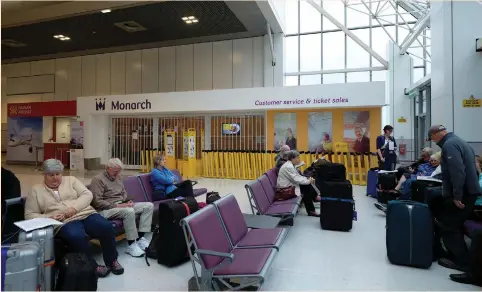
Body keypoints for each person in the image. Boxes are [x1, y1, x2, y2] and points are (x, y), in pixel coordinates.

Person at [24, 159, 123, 278]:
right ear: (44, 175)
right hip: (64, 222)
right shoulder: (36, 190)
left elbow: (87, 194)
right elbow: (29, 215)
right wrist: (49, 217)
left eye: (58, 174)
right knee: (76, 236)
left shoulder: (71, 180)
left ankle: (112, 260)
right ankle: (92, 266)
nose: (55, 178)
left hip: (86, 213)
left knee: (106, 227)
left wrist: (74, 208)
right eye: (51, 175)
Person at [427, 125, 481, 272]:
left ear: (436, 134)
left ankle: (462, 262)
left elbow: (458, 172)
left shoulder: (449, 145)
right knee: (453, 224)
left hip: (462, 194)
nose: (433, 141)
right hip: (469, 191)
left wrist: (457, 195)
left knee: (449, 226)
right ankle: (459, 258)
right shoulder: (462, 142)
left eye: (431, 138)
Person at [90, 158, 154, 257]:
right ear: (107, 168)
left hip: (121, 205)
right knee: (128, 211)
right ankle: (131, 245)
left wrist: (126, 201)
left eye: (119, 171)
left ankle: (140, 238)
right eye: (115, 171)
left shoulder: (118, 177)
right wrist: (119, 205)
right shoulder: (97, 180)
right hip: (105, 210)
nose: (118, 174)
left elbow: (123, 192)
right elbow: (97, 202)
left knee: (148, 206)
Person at [374, 152, 441, 212]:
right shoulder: (427, 164)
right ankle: (394, 199)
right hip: (420, 177)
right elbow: (420, 167)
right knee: (405, 175)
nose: (433, 162)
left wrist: (423, 172)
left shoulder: (439, 168)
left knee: (410, 181)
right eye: (431, 160)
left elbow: (430, 174)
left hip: (425, 181)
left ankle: (393, 203)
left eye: (435, 161)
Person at [277, 150, 320, 217]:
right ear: (292, 158)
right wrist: (308, 181)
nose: (299, 159)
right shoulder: (288, 166)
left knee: (306, 185)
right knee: (306, 188)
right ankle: (312, 207)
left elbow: (297, 177)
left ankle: (312, 207)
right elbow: (296, 179)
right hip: (285, 191)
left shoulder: (291, 165)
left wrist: (307, 180)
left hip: (288, 187)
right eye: (297, 158)